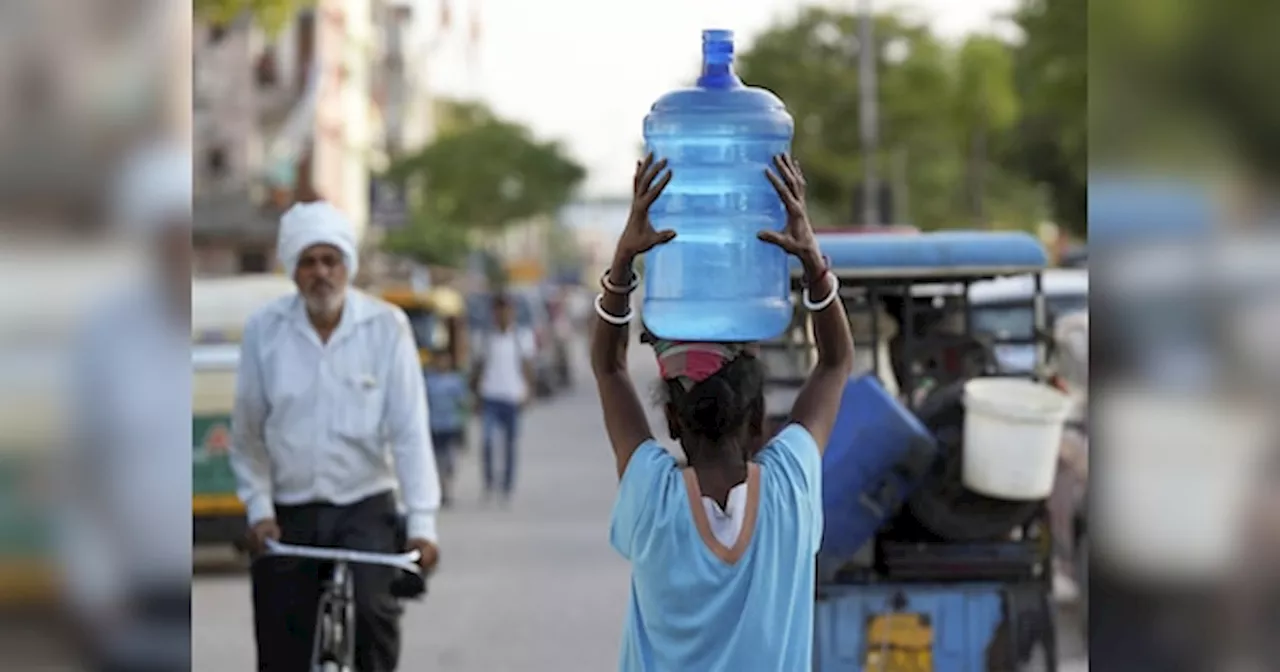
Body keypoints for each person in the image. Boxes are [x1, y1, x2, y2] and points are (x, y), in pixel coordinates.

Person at [591, 153, 855, 670]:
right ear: (758, 420)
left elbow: (608, 368)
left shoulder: (653, 497)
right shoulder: (788, 490)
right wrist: (811, 260)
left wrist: (623, 262)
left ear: (671, 420)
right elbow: (836, 364)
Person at [229, 200, 442, 672]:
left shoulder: (387, 327)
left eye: (331, 260)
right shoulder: (264, 331)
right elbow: (246, 433)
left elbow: (409, 431)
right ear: (292, 269)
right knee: (279, 640)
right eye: (308, 261)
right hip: (290, 510)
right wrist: (260, 511)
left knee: (375, 615)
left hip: (365, 505)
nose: (321, 272)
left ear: (348, 265)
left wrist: (423, 524)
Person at [470, 293, 536, 503]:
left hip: (512, 396)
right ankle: (489, 483)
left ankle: (507, 486)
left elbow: (527, 367)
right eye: (499, 310)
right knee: (487, 442)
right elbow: (478, 368)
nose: (503, 314)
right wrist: (475, 395)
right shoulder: (485, 338)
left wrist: (528, 391)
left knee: (510, 444)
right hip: (490, 395)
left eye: (507, 310)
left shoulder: (521, 337)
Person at [425, 351, 468, 507]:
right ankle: (440, 490)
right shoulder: (429, 381)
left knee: (449, 460)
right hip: (434, 426)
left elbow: (462, 404)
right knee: (436, 460)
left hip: (451, 425)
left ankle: (447, 487)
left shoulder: (455, 381)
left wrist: (463, 427)